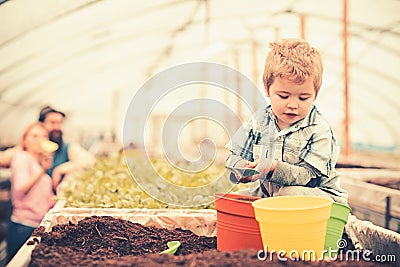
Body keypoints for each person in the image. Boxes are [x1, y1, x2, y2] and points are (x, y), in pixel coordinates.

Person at [225, 38, 348, 204]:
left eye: (303, 98)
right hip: (272, 195)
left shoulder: (318, 129)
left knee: (288, 194)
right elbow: (235, 155)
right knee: (237, 200)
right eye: (283, 96)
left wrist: (273, 167)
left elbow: (307, 177)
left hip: (320, 199)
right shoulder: (258, 121)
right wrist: (239, 168)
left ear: (315, 94)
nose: (292, 105)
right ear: (267, 89)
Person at [6, 122, 55, 264]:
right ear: (25, 140)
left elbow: (41, 193)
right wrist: (43, 170)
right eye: (35, 136)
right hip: (24, 226)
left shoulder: (36, 162)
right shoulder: (22, 158)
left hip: (36, 226)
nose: (40, 140)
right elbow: (20, 188)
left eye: (44, 136)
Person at [37, 105, 95, 191]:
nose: (57, 127)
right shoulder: (31, 146)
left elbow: (89, 160)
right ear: (40, 124)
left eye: (60, 123)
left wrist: (59, 170)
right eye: (52, 122)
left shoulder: (66, 147)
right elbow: (10, 156)